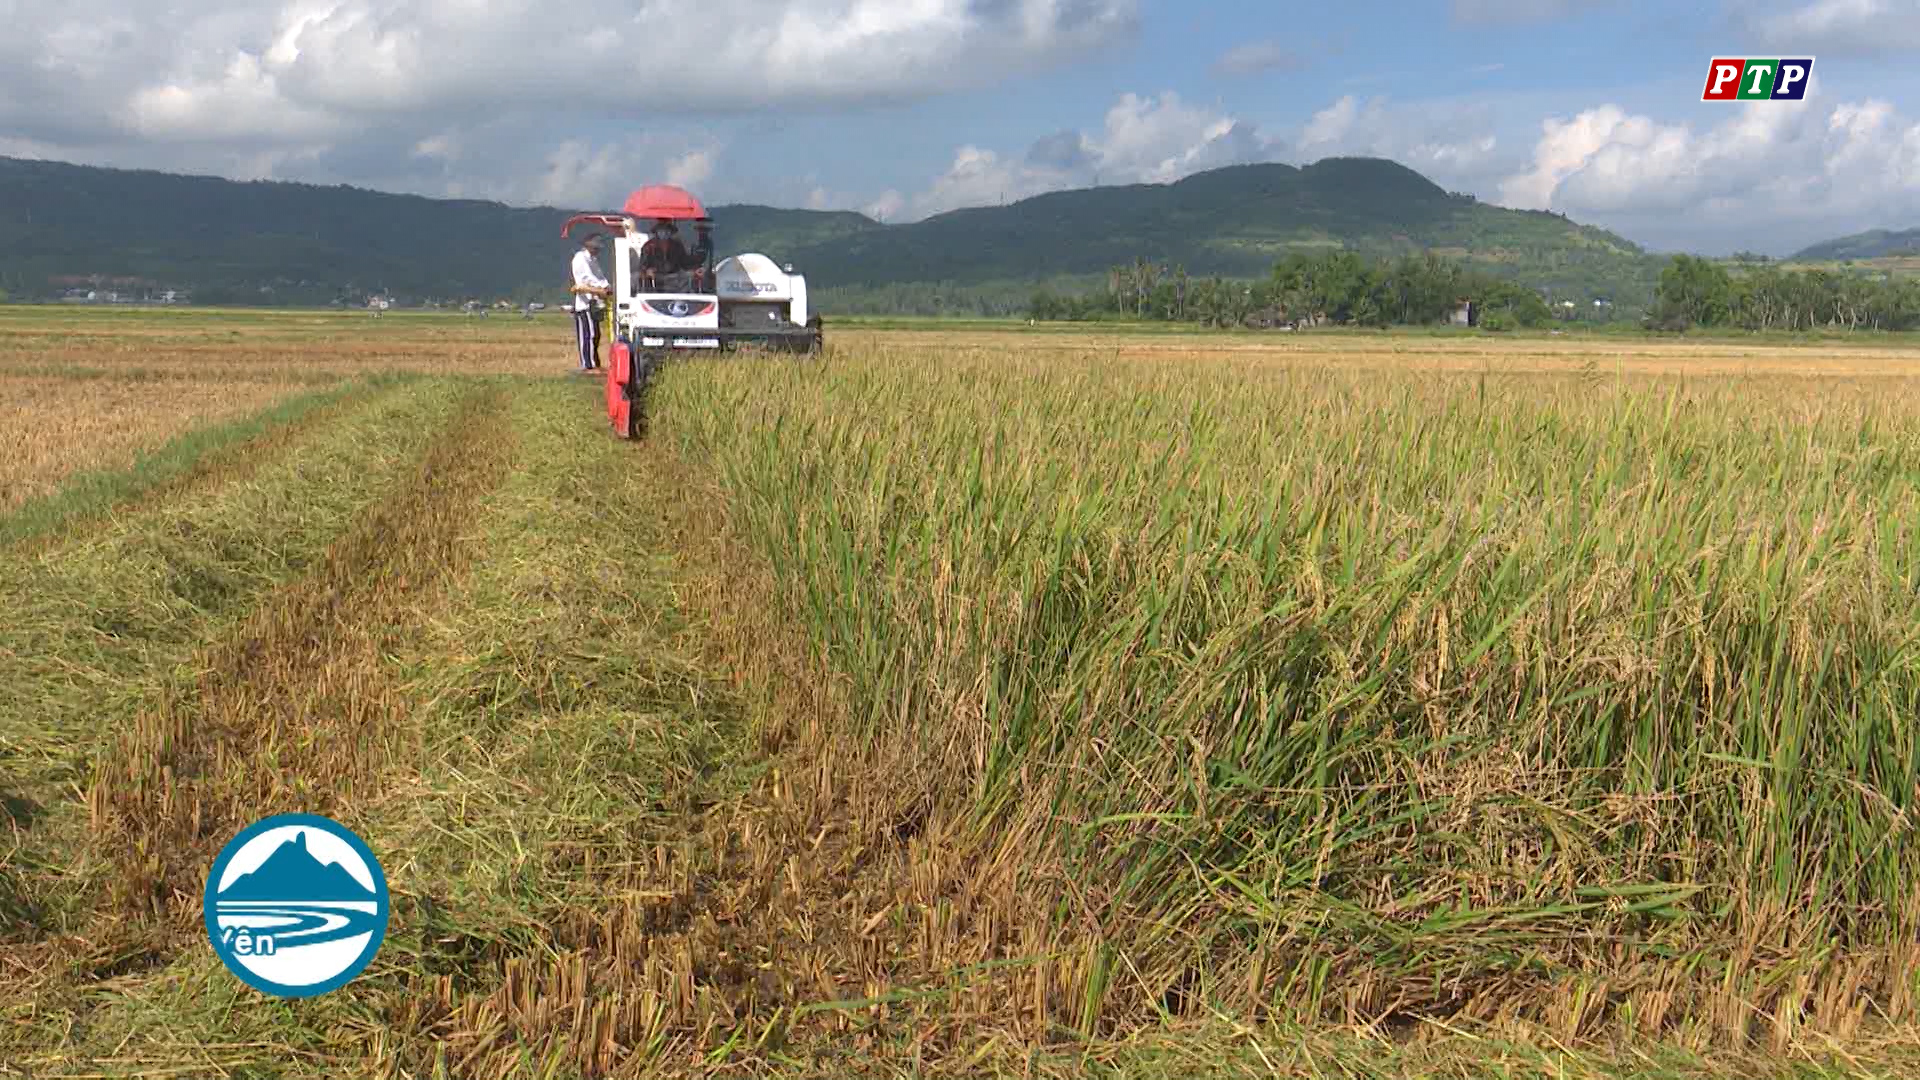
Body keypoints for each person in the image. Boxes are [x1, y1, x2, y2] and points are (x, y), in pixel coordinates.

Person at [569, 233, 611, 371]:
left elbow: (599, 276)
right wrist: (601, 288)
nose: (597, 250)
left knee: (596, 335)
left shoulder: (593, 260)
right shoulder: (580, 258)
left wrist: (606, 286)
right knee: (588, 334)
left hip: (595, 302)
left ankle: (594, 363)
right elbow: (586, 279)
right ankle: (587, 365)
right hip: (585, 302)